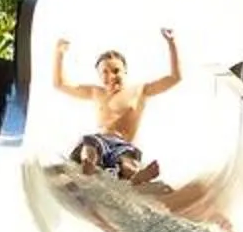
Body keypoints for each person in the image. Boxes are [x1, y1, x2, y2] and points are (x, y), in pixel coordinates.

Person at [51, 28, 181, 183]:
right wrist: (59, 54)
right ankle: (87, 176)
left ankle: (136, 176)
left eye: (116, 70)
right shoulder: (95, 92)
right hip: (99, 140)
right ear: (99, 76)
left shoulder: (140, 91)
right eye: (104, 72)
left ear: (125, 71)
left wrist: (172, 43)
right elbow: (60, 84)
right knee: (89, 151)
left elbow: (174, 78)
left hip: (123, 145)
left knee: (126, 163)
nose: (111, 76)